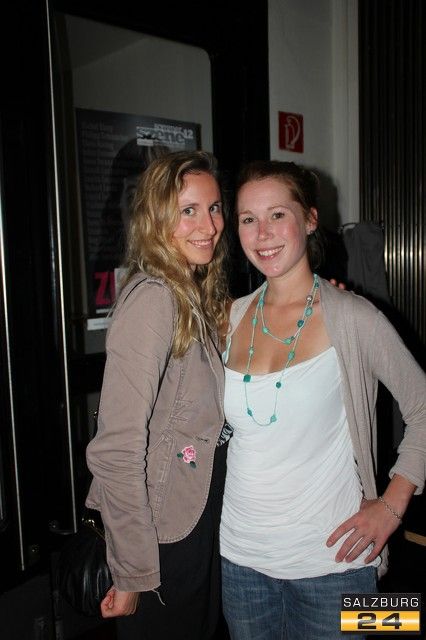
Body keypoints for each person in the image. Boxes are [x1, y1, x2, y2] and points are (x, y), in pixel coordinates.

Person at [220, 160, 426, 639]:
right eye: (248, 219)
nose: (262, 233)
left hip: (337, 566)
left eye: (277, 214)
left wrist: (392, 505)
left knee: (391, 628)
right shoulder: (228, 318)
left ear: (310, 219)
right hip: (240, 564)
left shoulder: (354, 317)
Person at [85, 150, 231, 640]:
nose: (208, 225)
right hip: (163, 536)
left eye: (213, 208)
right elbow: (116, 448)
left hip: (195, 516)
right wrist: (133, 573)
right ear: (157, 218)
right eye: (188, 210)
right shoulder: (153, 298)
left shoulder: (191, 295)